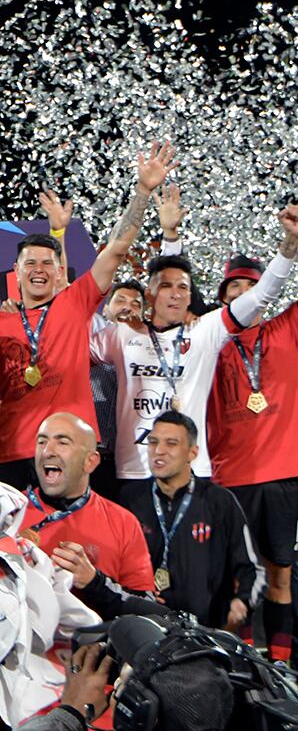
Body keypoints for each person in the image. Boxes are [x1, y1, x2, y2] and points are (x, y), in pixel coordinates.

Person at [0, 141, 180, 489]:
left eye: (48, 263)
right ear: (16, 270)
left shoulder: (74, 303)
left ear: (61, 272)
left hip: (72, 454)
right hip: (15, 454)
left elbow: (117, 248)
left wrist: (143, 191)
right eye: (31, 263)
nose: (39, 270)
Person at [90, 205, 298, 489]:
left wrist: (289, 244)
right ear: (149, 293)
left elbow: (263, 295)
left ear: (191, 296)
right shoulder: (122, 334)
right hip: (134, 473)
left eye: (183, 288)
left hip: (193, 474)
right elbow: (70, 339)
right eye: (165, 287)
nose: (174, 294)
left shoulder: (207, 330)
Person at [204, 253, 298, 664]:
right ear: (223, 298)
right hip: (230, 478)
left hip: (283, 474)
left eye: (252, 288)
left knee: (280, 574)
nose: (244, 296)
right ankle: (240, 660)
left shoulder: (286, 330)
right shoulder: (210, 342)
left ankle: (281, 666)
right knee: (236, 577)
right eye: (234, 289)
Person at [119, 411, 261, 630]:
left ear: (192, 453)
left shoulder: (219, 501)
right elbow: (115, 568)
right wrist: (137, 595)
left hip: (208, 631)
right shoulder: (129, 500)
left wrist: (242, 602)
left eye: (171, 444)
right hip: (148, 628)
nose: (159, 451)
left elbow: (252, 568)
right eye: (153, 442)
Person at [21, 412, 156, 620]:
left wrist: (93, 583)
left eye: (62, 443)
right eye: (42, 442)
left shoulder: (123, 522)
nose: (48, 451)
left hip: (92, 647)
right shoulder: (9, 511)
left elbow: (145, 608)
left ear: (90, 462)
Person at [88, 279, 144, 500]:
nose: (127, 307)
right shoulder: (93, 330)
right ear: (106, 308)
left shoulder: (152, 344)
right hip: (94, 455)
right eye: (120, 300)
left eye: (136, 304)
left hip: (132, 460)